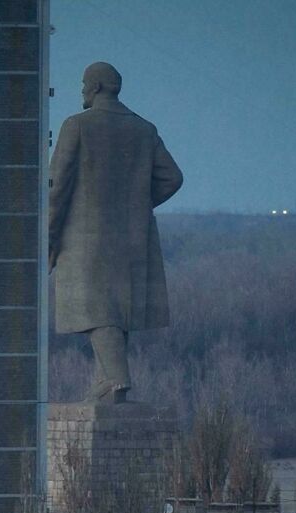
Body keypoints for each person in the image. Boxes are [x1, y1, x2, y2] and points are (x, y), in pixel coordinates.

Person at [49, 62, 183, 402]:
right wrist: (137, 206)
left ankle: (117, 378)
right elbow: (172, 178)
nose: (82, 90)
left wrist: (47, 239)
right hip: (132, 238)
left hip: (85, 239)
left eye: (84, 84)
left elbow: (57, 187)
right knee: (116, 310)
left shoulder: (77, 126)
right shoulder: (143, 129)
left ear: (95, 87)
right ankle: (107, 384)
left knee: (98, 310)